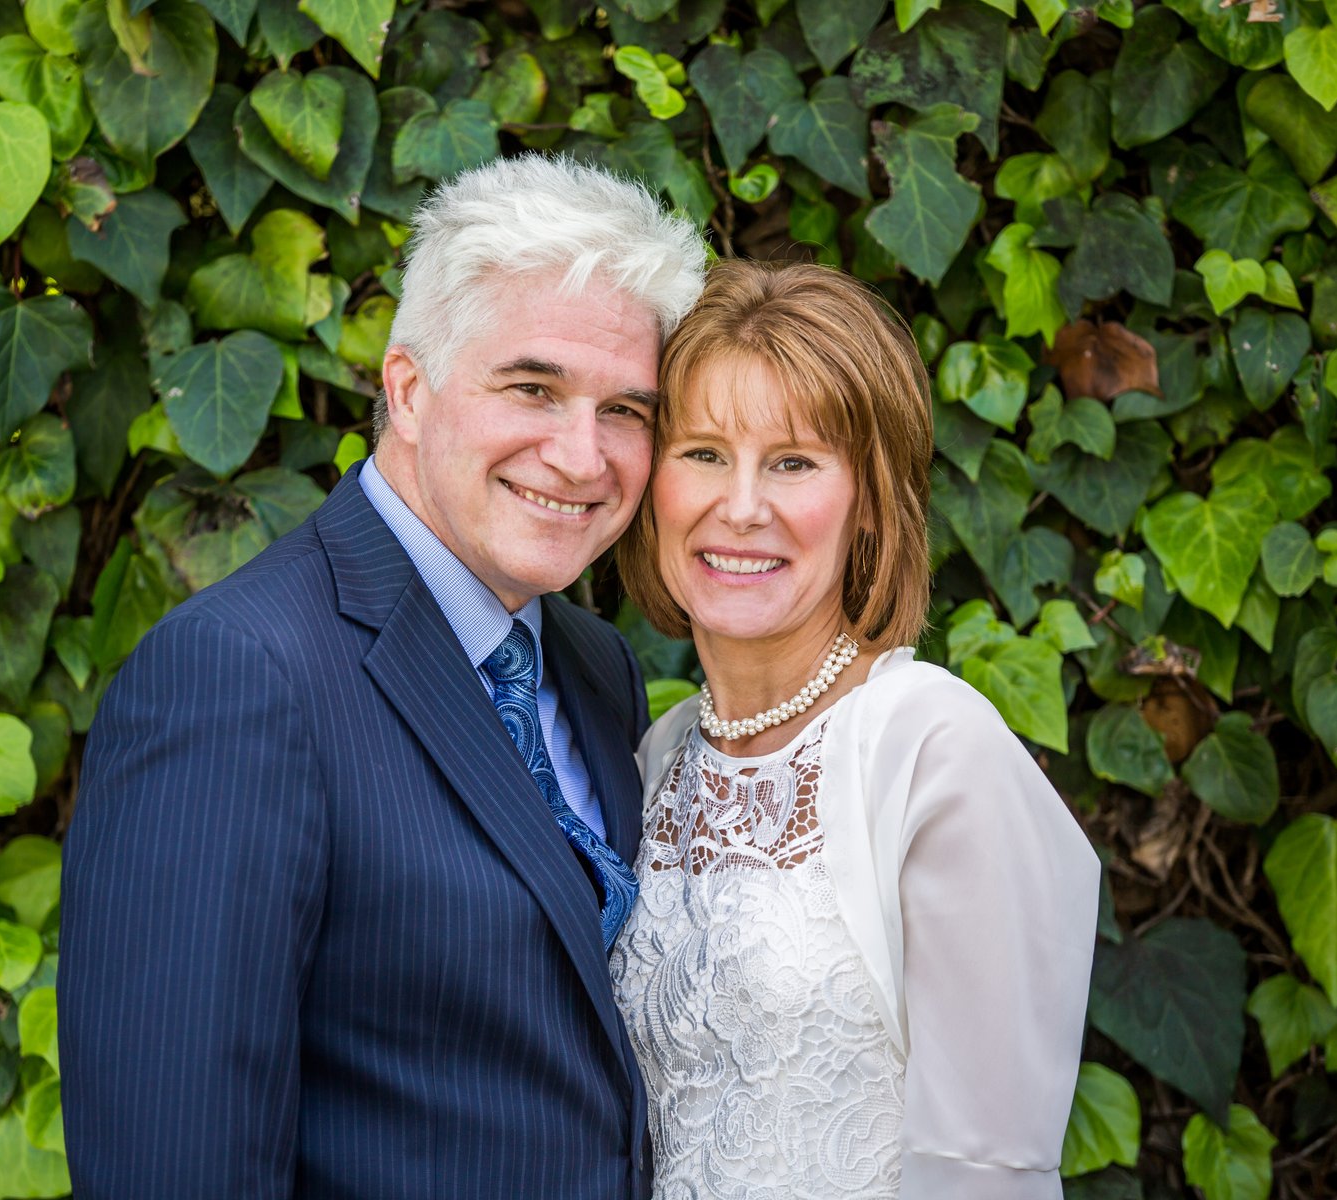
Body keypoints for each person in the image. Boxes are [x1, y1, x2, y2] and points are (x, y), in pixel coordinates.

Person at [58, 155, 706, 1198]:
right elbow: (174, 1161)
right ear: (408, 389)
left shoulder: (596, 668)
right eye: (533, 388)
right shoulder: (237, 676)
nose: (583, 457)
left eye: (626, 409)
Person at [610, 259, 1099, 1199]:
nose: (740, 506)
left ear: (869, 499)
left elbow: (986, 1172)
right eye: (703, 452)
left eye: (793, 462)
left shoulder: (934, 750)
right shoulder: (655, 759)